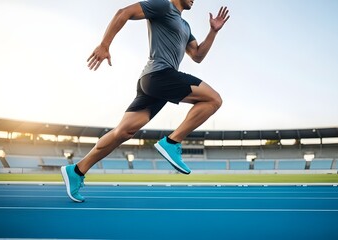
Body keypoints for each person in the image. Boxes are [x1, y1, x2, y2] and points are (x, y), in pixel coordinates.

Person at [61, 0, 230, 202]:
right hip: (159, 75)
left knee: (123, 132)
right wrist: (104, 45)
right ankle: (172, 142)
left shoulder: (185, 26)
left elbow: (197, 55)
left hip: (153, 83)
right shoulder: (163, 6)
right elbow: (123, 13)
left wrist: (213, 31)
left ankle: (77, 170)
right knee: (213, 99)